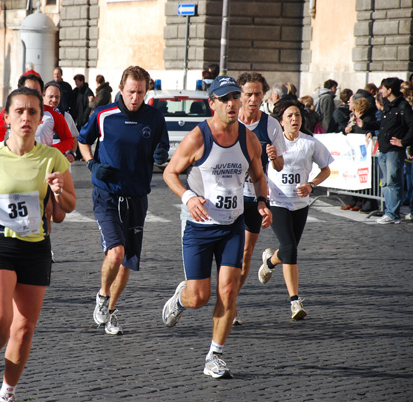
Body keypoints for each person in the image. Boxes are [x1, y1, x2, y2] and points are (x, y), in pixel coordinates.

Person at [0, 87, 76, 402]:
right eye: (19, 111)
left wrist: (58, 193)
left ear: (41, 118)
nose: (26, 117)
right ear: (7, 117)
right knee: (0, 319)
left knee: (24, 329)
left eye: (32, 112)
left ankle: (7, 392)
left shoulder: (53, 158)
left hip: (35, 247)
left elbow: (64, 212)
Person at [161, 75, 272, 379]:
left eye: (235, 97)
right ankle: (181, 298)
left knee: (228, 291)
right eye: (224, 99)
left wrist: (262, 201)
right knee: (199, 297)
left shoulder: (248, 138)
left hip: (232, 226)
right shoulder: (198, 137)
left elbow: (259, 175)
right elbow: (170, 172)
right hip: (199, 227)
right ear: (212, 104)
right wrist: (187, 197)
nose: (232, 103)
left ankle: (215, 355)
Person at [78, 65, 169, 335]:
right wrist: (92, 164)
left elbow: (160, 150)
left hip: (137, 196)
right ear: (121, 89)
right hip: (106, 194)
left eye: (140, 92)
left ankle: (111, 310)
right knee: (115, 252)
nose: (135, 97)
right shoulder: (103, 114)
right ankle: (103, 296)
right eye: (131, 91)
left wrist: (161, 155)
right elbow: (83, 141)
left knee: (128, 260)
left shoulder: (154, 118)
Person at [258, 99, 333, 319]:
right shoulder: (272, 142)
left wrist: (311, 185)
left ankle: (269, 261)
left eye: (298, 115)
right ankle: (295, 302)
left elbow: (326, 170)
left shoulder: (310, 143)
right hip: (277, 202)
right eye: (290, 116)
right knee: (290, 249)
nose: (294, 119)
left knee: (288, 250)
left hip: (300, 205)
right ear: (280, 121)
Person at [234, 72, 286, 325]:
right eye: (248, 94)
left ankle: (231, 302)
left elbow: (278, 166)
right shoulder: (229, 121)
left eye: (257, 94)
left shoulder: (271, 125)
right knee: (224, 253)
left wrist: (275, 156)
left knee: (245, 254)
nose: (253, 99)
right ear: (239, 96)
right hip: (226, 198)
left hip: (255, 198)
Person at [0, 74, 74, 157]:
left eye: (35, 92)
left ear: (42, 93)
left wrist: (50, 150)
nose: (31, 95)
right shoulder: (10, 111)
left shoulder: (53, 113)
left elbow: (68, 140)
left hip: (42, 164)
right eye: (27, 91)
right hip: (15, 160)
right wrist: (2, 151)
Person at [373, 77, 413, 224]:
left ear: (389, 90)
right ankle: (389, 211)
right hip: (384, 149)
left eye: (382, 88)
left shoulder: (403, 106)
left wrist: (403, 142)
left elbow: (411, 126)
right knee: (385, 183)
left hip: (394, 151)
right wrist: (366, 126)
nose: (380, 91)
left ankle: (393, 214)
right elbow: (382, 125)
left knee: (392, 182)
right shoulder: (388, 105)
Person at [44, 82, 79, 159]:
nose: (54, 100)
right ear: (43, 97)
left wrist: (72, 154)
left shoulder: (66, 116)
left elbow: (74, 138)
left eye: (57, 97)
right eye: (51, 96)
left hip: (60, 163)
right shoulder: (36, 116)